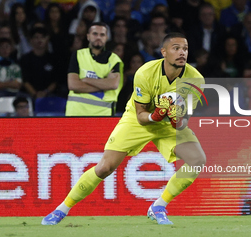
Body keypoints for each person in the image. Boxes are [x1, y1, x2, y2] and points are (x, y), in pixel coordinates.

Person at [42, 32, 206, 225]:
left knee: (197, 160)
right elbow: (141, 116)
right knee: (105, 167)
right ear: (164, 52)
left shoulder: (196, 80)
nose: (182, 53)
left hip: (165, 125)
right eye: (176, 48)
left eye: (185, 49)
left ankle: (158, 207)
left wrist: (173, 116)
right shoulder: (145, 73)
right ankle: (62, 209)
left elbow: (181, 122)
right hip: (138, 120)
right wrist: (157, 114)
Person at [65, 22, 123, 116]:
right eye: (95, 34)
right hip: (76, 113)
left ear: (107, 37)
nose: (98, 37)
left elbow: (113, 84)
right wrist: (104, 84)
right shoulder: (78, 55)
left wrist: (86, 80)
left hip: (103, 115)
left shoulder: (114, 59)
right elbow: (73, 85)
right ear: (88, 36)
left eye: (102, 34)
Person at [0, 37, 22, 107]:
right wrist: (9, 83)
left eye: (7, 47)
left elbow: (17, 85)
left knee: (25, 98)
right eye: (2, 47)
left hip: (13, 93)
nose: (5, 49)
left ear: (11, 49)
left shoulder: (15, 67)